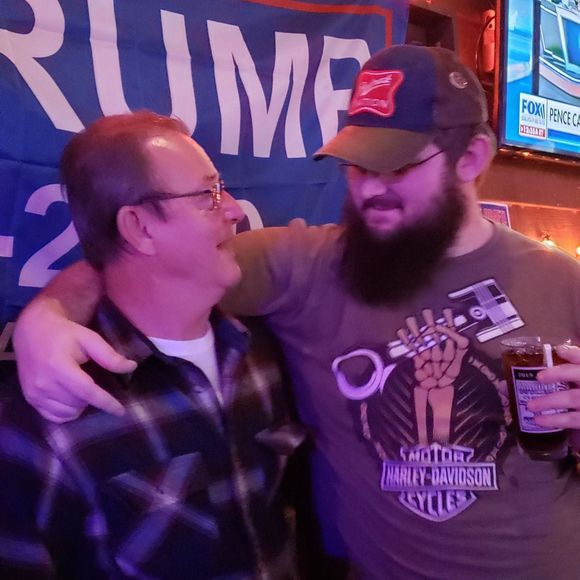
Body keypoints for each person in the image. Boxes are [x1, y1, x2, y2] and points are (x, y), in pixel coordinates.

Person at [13, 45, 580, 579]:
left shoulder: (561, 280)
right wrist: (49, 315)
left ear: (472, 157)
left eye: (398, 167)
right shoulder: (303, 266)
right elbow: (147, 263)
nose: (369, 191)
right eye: (358, 166)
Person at [1, 111, 303, 578]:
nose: (235, 209)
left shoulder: (257, 353)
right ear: (139, 228)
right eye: (209, 195)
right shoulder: (51, 415)